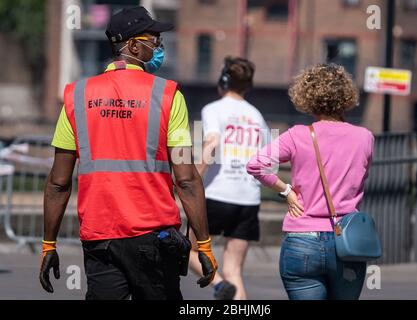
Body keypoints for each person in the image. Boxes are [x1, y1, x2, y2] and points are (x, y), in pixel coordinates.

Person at [39, 6, 218, 300]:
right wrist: (204, 244)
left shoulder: (77, 95)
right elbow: (185, 179)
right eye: (154, 40)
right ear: (133, 45)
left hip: (100, 236)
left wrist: (49, 245)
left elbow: (58, 182)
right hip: (154, 236)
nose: (159, 47)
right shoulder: (169, 95)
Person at [247, 63, 374, 300]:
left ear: (307, 96)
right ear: (346, 96)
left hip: (302, 241)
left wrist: (287, 191)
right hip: (346, 241)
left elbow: (255, 164)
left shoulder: (297, 135)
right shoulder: (365, 138)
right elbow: (360, 180)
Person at [189, 57, 270, 300]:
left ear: (223, 81)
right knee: (234, 270)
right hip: (247, 199)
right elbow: (268, 161)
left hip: (216, 194)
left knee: (187, 251)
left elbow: (211, 142)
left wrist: (194, 181)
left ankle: (218, 284)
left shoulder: (213, 109)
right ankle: (228, 286)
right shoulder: (258, 117)